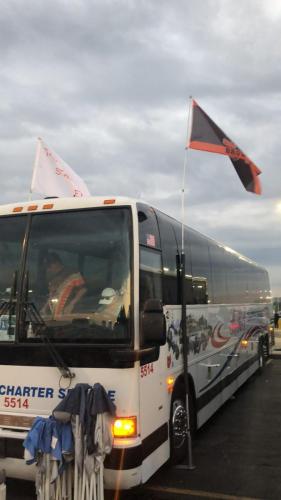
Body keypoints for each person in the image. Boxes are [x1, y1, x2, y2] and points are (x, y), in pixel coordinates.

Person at [41, 253, 86, 318]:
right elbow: (52, 295)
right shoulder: (52, 278)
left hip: (71, 314)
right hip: (57, 314)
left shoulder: (73, 273)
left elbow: (83, 290)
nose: (48, 270)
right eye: (47, 268)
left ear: (56, 263)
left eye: (49, 266)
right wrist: (44, 308)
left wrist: (72, 304)